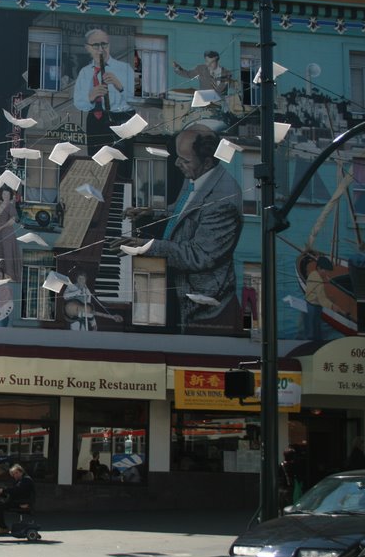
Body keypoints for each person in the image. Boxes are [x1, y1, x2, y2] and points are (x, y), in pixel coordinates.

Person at [135, 125, 243, 332]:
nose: (177, 164)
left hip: (204, 311)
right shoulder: (197, 175)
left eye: (184, 160)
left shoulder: (224, 200)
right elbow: (182, 210)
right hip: (181, 286)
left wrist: (149, 246)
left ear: (208, 162)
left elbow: (198, 255)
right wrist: (151, 211)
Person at [72, 28, 136, 154]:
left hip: (121, 119)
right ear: (87, 48)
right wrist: (90, 97)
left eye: (104, 44)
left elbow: (137, 99)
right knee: (96, 160)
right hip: (95, 121)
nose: (101, 49)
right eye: (95, 45)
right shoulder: (85, 72)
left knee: (120, 161)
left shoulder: (125, 68)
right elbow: (78, 103)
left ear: (109, 45)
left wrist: (120, 86)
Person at [0, 463, 35, 535]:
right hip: (18, 501)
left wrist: (3, 490)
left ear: (21, 472)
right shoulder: (20, 480)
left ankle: (2, 528)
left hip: (22, 502)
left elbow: (17, 490)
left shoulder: (26, 480)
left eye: (17, 473)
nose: (15, 475)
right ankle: (2, 527)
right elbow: (13, 492)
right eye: (14, 474)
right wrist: (1, 493)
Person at [303, 256, 336, 340]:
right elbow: (322, 300)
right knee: (314, 329)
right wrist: (334, 307)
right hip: (314, 306)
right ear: (319, 268)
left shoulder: (312, 274)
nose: (327, 273)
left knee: (315, 326)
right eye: (326, 271)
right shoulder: (319, 283)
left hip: (311, 304)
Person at [0, 188, 22, 281]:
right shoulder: (0, 205)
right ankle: (0, 276)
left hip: (7, 233)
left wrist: (1, 227)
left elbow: (13, 220)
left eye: (7, 194)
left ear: (10, 196)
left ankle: (10, 276)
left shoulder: (10, 206)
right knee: (0, 254)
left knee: (8, 254)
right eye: (4, 194)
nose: (5, 196)